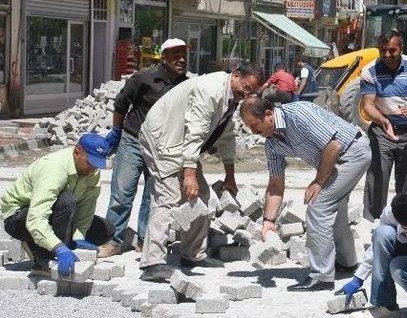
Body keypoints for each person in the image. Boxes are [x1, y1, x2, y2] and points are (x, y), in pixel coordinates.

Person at [138, 65, 264, 282]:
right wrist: (189, 175)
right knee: (168, 197)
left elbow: (226, 135)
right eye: (245, 87)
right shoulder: (211, 90)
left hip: (181, 143)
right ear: (235, 75)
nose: (246, 94)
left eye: (251, 92)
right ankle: (153, 263)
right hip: (163, 139)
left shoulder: (230, 97)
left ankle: (192, 255)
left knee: (202, 196)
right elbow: (195, 131)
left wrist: (230, 174)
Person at [240, 97, 371, 291]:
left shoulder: (298, 114)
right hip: (336, 160)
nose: (253, 132)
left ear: (268, 114)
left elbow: (333, 146)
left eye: (254, 125)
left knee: (319, 205)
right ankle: (346, 262)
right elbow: (275, 185)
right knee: (335, 207)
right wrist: (268, 221)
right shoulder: (272, 145)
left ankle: (321, 277)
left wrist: (318, 182)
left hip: (352, 152)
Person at [99, 38, 190, 258]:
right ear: (164, 57)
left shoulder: (186, 86)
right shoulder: (144, 78)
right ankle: (113, 240)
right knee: (122, 193)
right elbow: (121, 104)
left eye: (184, 54)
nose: (181, 59)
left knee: (153, 196)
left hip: (162, 148)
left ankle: (144, 240)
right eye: (175, 55)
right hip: (132, 140)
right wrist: (116, 132)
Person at [1, 134, 114, 276]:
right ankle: (43, 256)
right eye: (90, 162)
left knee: (105, 230)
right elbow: (36, 219)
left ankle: (58, 243)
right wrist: (59, 248)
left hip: (56, 213)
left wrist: (78, 236)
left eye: (97, 164)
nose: (93, 169)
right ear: (77, 152)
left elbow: (87, 207)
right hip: (19, 217)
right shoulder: (53, 168)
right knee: (66, 201)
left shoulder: (92, 171)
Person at [360, 30, 407, 222]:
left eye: (392, 50)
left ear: (401, 48)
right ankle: (375, 224)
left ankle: (406, 224)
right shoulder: (369, 71)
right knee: (377, 180)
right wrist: (382, 120)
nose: (387, 55)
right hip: (381, 132)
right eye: (383, 50)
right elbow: (368, 104)